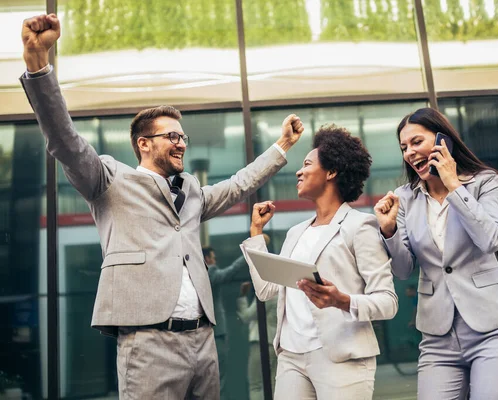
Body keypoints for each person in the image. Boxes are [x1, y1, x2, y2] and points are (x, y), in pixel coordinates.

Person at [20, 14, 304, 399]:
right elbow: (65, 140)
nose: (181, 142)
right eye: (171, 136)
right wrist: (39, 65)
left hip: (203, 341)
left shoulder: (191, 192)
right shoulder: (108, 180)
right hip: (148, 343)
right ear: (144, 144)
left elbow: (239, 185)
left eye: (182, 136)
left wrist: (282, 147)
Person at [374, 107, 498, 400]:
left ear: (443, 140)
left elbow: (491, 239)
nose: (409, 153)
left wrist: (453, 185)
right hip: (438, 338)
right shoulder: (405, 197)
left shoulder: (484, 181)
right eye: (404, 147)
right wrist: (389, 230)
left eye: (417, 142)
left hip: (491, 330)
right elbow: (404, 270)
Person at [241, 125, 398, 400]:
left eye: (307, 164)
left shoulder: (360, 226)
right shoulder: (295, 233)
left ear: (331, 172)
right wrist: (256, 233)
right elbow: (266, 290)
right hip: (291, 355)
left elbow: (387, 301)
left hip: (341, 357)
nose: (299, 172)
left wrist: (342, 301)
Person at [203, 247, 249, 400]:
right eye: (213, 258)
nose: (215, 261)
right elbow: (231, 271)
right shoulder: (209, 273)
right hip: (216, 335)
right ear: (207, 259)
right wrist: (249, 252)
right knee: (218, 379)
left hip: (207, 335)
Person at [237, 281, 278, 400]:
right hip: (274, 342)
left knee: (255, 384)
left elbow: (246, 316)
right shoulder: (280, 292)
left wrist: (242, 296)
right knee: (273, 384)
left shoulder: (267, 294)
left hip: (261, 342)